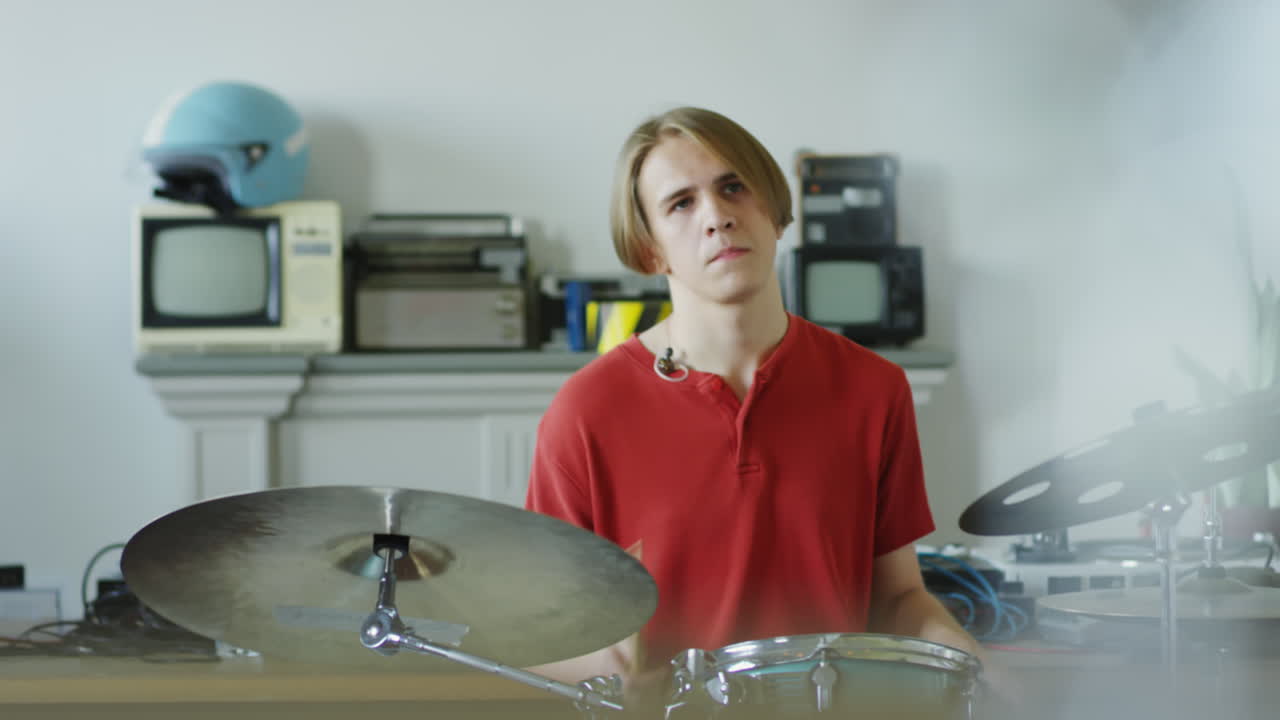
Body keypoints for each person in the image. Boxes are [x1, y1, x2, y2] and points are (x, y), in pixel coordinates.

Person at [525, 106, 987, 700]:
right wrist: (620, 671)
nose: (716, 216)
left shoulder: (874, 389)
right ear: (650, 251)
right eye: (680, 204)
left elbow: (899, 599)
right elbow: (539, 641)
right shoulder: (586, 411)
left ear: (773, 209)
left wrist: (977, 665)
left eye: (732, 186)